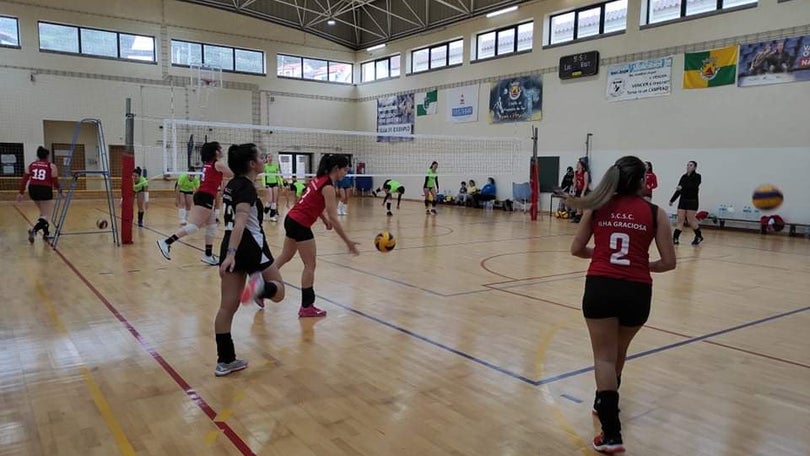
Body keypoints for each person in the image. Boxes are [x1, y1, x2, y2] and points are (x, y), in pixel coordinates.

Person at [566, 156, 677, 454]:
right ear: (642, 180)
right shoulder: (657, 213)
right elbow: (669, 263)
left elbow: (576, 249)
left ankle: (611, 432)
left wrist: (601, 254)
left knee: (603, 357)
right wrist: (642, 264)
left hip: (601, 285)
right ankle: (604, 401)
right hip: (638, 290)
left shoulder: (597, 207)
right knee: (619, 352)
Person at [215, 143, 285, 377]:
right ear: (252, 164)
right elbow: (241, 221)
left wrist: (228, 254)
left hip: (229, 245)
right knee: (280, 291)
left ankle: (225, 360)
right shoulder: (246, 188)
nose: (264, 159)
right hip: (249, 246)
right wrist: (234, 253)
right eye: (260, 157)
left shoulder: (232, 184)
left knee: (227, 307)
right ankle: (260, 288)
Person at [273, 154, 360, 318]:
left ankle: (261, 284)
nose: (346, 173)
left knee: (285, 255)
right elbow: (335, 217)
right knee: (310, 265)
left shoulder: (317, 179)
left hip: (291, 219)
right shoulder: (328, 187)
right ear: (336, 169)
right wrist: (348, 242)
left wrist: (324, 219)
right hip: (300, 224)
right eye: (345, 169)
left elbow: (311, 202)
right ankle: (307, 306)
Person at [157, 142, 233, 265]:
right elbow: (232, 174)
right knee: (194, 227)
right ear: (216, 152)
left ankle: (208, 255)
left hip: (204, 196)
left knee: (212, 226)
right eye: (219, 148)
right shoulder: (217, 164)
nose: (221, 150)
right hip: (205, 196)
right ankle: (166, 242)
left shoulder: (209, 164)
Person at [17, 146, 60, 243]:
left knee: (43, 213)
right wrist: (61, 191)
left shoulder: (31, 165)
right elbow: (55, 182)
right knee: (46, 215)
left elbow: (24, 180)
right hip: (45, 190)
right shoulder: (51, 166)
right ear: (47, 156)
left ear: (38, 155)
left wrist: (21, 193)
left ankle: (46, 233)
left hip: (33, 189)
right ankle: (34, 230)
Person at [669, 160, 703, 245]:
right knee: (680, 220)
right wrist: (672, 199)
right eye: (687, 165)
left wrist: (682, 187)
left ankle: (699, 236)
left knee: (690, 220)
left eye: (691, 165)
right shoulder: (683, 177)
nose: (688, 166)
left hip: (692, 201)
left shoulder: (697, 176)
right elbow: (679, 189)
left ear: (695, 167)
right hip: (683, 200)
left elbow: (693, 187)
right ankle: (675, 238)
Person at [262, 153, 282, 222]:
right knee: (270, 200)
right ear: (266, 159)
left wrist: (281, 183)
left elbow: (278, 175)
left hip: (275, 183)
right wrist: (264, 184)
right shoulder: (265, 166)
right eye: (268, 157)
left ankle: (272, 216)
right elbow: (263, 176)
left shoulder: (275, 166)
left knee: (274, 201)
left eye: (271, 157)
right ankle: (264, 213)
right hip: (268, 184)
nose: (270, 158)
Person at [572, 158, 591, 223]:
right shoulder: (575, 172)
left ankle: (584, 218)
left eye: (579, 164)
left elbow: (586, 184)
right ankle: (577, 217)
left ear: (582, 166)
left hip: (584, 190)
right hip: (578, 190)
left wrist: (583, 192)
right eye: (577, 164)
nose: (577, 165)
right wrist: (573, 190)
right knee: (578, 204)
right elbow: (574, 182)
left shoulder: (585, 173)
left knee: (583, 204)